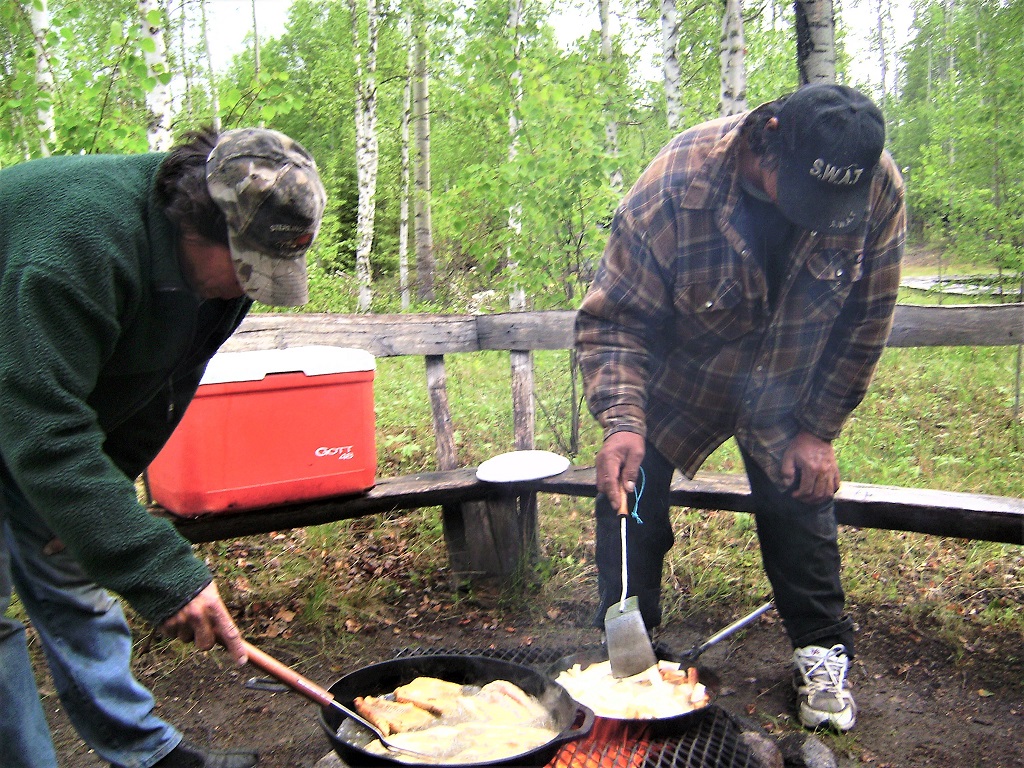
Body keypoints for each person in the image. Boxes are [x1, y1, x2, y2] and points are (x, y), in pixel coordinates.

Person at [575, 83, 906, 732]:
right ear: (765, 140)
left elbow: (867, 319)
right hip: (680, 377)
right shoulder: (674, 187)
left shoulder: (874, 186)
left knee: (801, 506)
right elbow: (615, 320)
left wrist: (819, 428)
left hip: (787, 381)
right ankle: (629, 652)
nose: (821, 219)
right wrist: (622, 420)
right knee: (630, 502)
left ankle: (821, 650)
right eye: (810, 198)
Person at [0, 127, 327, 767]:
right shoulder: (75, 248)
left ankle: (149, 756)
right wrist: (161, 573)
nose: (248, 286)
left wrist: (102, 509)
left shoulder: (215, 281)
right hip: (21, 390)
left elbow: (161, 386)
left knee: (72, 565)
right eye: (243, 266)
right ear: (192, 224)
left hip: (33, 397)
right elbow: (42, 427)